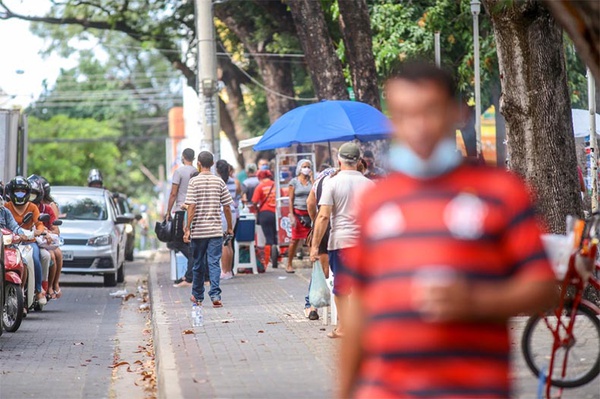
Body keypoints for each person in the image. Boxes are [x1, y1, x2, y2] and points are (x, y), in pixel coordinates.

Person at [337, 62, 557, 399]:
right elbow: (359, 310)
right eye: (404, 115)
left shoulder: (502, 192)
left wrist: (476, 300)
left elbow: (542, 286)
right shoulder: (376, 201)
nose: (419, 127)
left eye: (430, 111)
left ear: (457, 113)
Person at [309, 143, 374, 338]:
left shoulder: (332, 182)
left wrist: (314, 246)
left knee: (342, 287)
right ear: (358, 161)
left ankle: (344, 327)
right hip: (365, 244)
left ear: (339, 160)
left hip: (341, 242)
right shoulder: (370, 184)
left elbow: (323, 217)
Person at [184, 151, 233, 308]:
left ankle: (197, 296)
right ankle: (215, 294)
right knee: (214, 263)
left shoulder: (194, 182)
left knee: (198, 263)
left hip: (199, 231)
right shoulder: (219, 182)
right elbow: (227, 206)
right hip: (215, 231)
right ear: (212, 164)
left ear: (198, 163)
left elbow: (191, 206)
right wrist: (230, 227)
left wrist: (187, 228)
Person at [5, 176, 49, 306]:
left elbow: (39, 223)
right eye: (17, 190)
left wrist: (39, 231)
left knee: (35, 259)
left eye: (22, 191)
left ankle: (38, 290)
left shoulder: (32, 207)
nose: (20, 194)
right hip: (11, 242)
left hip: (29, 242)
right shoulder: (6, 208)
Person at [304, 166, 338, 320]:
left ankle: (313, 307)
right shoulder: (343, 179)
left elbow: (310, 203)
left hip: (323, 227)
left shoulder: (318, 180)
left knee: (322, 269)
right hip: (342, 227)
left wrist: (314, 221)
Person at [165, 148, 197, 287]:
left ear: (183, 157)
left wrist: (168, 211)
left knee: (178, 242)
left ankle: (190, 272)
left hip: (181, 210)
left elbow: (173, 193)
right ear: (194, 158)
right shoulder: (197, 171)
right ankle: (191, 272)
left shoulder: (179, 172)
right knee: (191, 242)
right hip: (194, 210)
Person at [28, 176, 63, 300]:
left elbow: (46, 227)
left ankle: (47, 286)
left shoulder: (46, 208)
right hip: (23, 241)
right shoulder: (14, 207)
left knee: (51, 255)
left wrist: (46, 232)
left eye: (34, 194)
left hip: (40, 242)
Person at [286, 159, 313, 274]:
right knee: (294, 240)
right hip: (298, 214)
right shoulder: (294, 182)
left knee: (311, 240)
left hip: (309, 214)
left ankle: (315, 264)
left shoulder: (312, 181)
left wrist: (312, 179)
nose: (306, 169)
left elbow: (317, 191)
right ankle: (289, 263)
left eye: (308, 166)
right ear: (299, 168)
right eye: (304, 166)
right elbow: (290, 199)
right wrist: (291, 214)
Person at [216, 160, 241, 280]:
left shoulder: (218, 182)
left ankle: (225, 271)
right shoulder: (233, 181)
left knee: (224, 243)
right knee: (229, 242)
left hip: (223, 213)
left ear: (217, 170)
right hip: (232, 212)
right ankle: (229, 270)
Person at [252, 169, 278, 268]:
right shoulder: (276, 185)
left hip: (264, 214)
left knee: (268, 237)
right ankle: (277, 259)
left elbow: (254, 201)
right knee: (276, 236)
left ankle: (267, 262)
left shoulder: (259, 187)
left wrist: (257, 208)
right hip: (276, 213)